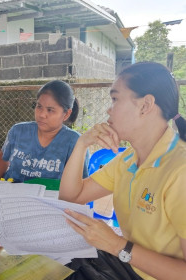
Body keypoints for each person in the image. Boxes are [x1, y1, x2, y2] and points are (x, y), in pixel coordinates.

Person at [59, 62, 186, 279]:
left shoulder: (179, 170)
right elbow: (71, 197)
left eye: (115, 99)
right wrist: (81, 144)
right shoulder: (128, 159)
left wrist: (117, 244)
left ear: (145, 105)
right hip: (129, 266)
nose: (109, 109)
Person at [0, 80, 89, 184]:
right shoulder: (18, 131)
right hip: (10, 192)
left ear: (66, 114)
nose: (42, 115)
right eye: (39, 106)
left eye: (50, 110)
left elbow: (79, 183)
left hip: (49, 198)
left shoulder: (75, 142)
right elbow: (4, 158)